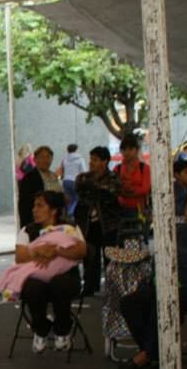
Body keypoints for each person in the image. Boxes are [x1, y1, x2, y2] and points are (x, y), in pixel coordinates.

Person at [118, 191, 187, 369]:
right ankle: (154, 353)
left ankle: (147, 355)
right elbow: (160, 259)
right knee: (131, 302)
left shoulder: (175, 237)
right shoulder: (179, 232)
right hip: (170, 286)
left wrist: (173, 253)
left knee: (162, 299)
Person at [15, 191, 87, 352]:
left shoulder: (70, 228)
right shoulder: (28, 230)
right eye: (34, 206)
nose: (34, 209)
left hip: (66, 278)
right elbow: (19, 257)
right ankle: (41, 328)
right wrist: (38, 250)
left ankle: (62, 330)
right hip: (37, 277)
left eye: (40, 206)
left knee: (59, 283)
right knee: (32, 287)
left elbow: (82, 251)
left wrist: (57, 250)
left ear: (53, 210)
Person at [74, 146, 122, 296]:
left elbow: (110, 193)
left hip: (108, 224)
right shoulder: (84, 177)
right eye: (91, 159)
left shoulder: (113, 177)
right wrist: (97, 189)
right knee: (90, 256)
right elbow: (79, 187)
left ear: (105, 161)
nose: (91, 163)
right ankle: (89, 287)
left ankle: (112, 287)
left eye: (95, 160)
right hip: (89, 224)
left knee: (110, 256)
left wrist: (96, 190)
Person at [18, 145, 61, 226]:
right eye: (42, 157)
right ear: (35, 159)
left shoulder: (53, 176)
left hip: (55, 220)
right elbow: (24, 205)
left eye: (48, 157)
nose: (46, 160)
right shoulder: (29, 178)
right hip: (38, 222)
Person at [115, 134, 151, 217]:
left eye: (130, 149)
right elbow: (115, 189)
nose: (127, 152)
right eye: (124, 149)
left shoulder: (145, 168)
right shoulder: (117, 169)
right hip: (120, 211)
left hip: (140, 211)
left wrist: (127, 191)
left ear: (137, 150)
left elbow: (145, 189)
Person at [58, 143, 87, 218]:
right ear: (76, 150)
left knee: (68, 200)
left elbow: (61, 170)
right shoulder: (80, 159)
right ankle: (71, 213)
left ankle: (67, 214)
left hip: (65, 181)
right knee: (76, 199)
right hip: (75, 181)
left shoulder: (64, 159)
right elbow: (83, 171)